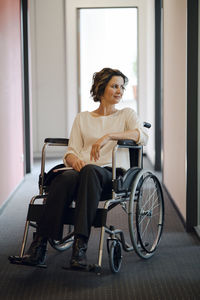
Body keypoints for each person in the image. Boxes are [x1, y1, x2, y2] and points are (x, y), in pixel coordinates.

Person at [10, 68, 148, 269]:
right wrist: (74, 160)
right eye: (114, 86)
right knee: (64, 178)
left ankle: (79, 248)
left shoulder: (126, 114)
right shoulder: (83, 118)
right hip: (81, 170)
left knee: (91, 171)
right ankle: (38, 247)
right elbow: (71, 151)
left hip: (109, 172)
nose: (120, 91)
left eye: (122, 87)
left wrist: (109, 136)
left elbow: (142, 136)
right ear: (101, 89)